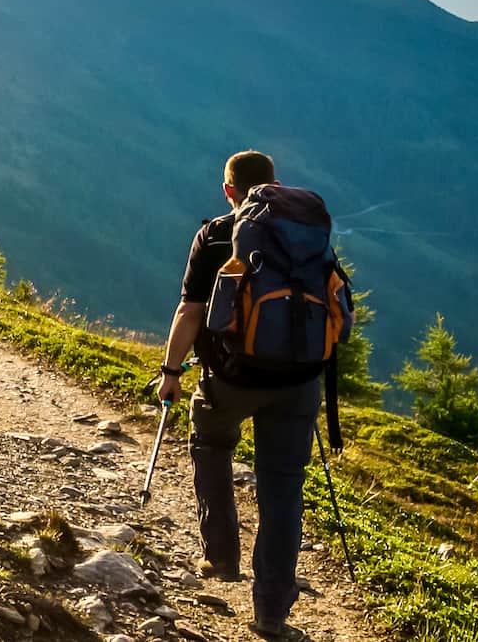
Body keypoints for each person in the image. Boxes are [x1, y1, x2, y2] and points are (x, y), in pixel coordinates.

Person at [157, 150, 326, 640]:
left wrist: (171, 371)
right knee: (284, 485)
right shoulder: (305, 234)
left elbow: (190, 312)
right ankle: (272, 612)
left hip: (231, 378)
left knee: (210, 442)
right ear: (275, 186)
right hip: (297, 382)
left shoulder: (213, 235)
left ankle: (222, 557)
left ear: (229, 191)